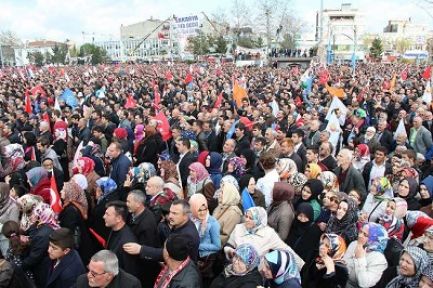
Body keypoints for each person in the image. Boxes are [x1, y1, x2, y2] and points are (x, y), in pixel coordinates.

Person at [224, 207, 305, 270]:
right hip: (233, 266)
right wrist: (229, 251)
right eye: (246, 216)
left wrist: (304, 267)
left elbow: (286, 250)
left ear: (259, 220)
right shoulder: (239, 227)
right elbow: (229, 244)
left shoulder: (268, 234)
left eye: (251, 218)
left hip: (253, 273)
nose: (247, 220)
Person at [123, 200, 200, 262]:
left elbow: (169, 254)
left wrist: (141, 249)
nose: (170, 216)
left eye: (174, 213)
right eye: (170, 212)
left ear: (185, 216)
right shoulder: (180, 224)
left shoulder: (187, 235)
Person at [125, 189, 160, 287]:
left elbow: (147, 251)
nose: (126, 204)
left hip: (143, 270)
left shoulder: (147, 224)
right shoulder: (132, 214)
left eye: (129, 201)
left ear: (138, 204)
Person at [343, 222, 389, 288]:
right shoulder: (354, 244)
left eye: (365, 235)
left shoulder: (379, 259)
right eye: (360, 231)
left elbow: (364, 283)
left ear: (375, 240)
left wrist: (360, 259)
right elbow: (344, 264)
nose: (360, 235)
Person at [189, 193, 221, 282]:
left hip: (205, 261)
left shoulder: (212, 223)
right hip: (193, 256)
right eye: (199, 210)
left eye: (205, 209)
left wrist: (198, 245)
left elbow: (217, 246)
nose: (203, 212)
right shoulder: (192, 218)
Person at [103, 200, 139, 278]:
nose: (104, 217)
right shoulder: (113, 229)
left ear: (118, 218)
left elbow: (129, 273)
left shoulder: (127, 242)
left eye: (107, 214)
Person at [74, 250, 141, 288]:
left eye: (94, 273)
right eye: (89, 269)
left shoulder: (131, 285)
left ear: (109, 275)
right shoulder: (82, 282)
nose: (88, 275)